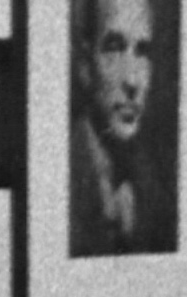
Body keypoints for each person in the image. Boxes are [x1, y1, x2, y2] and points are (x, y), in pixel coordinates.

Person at [69, 0, 175, 257]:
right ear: (84, 66)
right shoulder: (63, 176)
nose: (132, 80)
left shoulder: (155, 190)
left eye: (142, 52)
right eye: (114, 49)